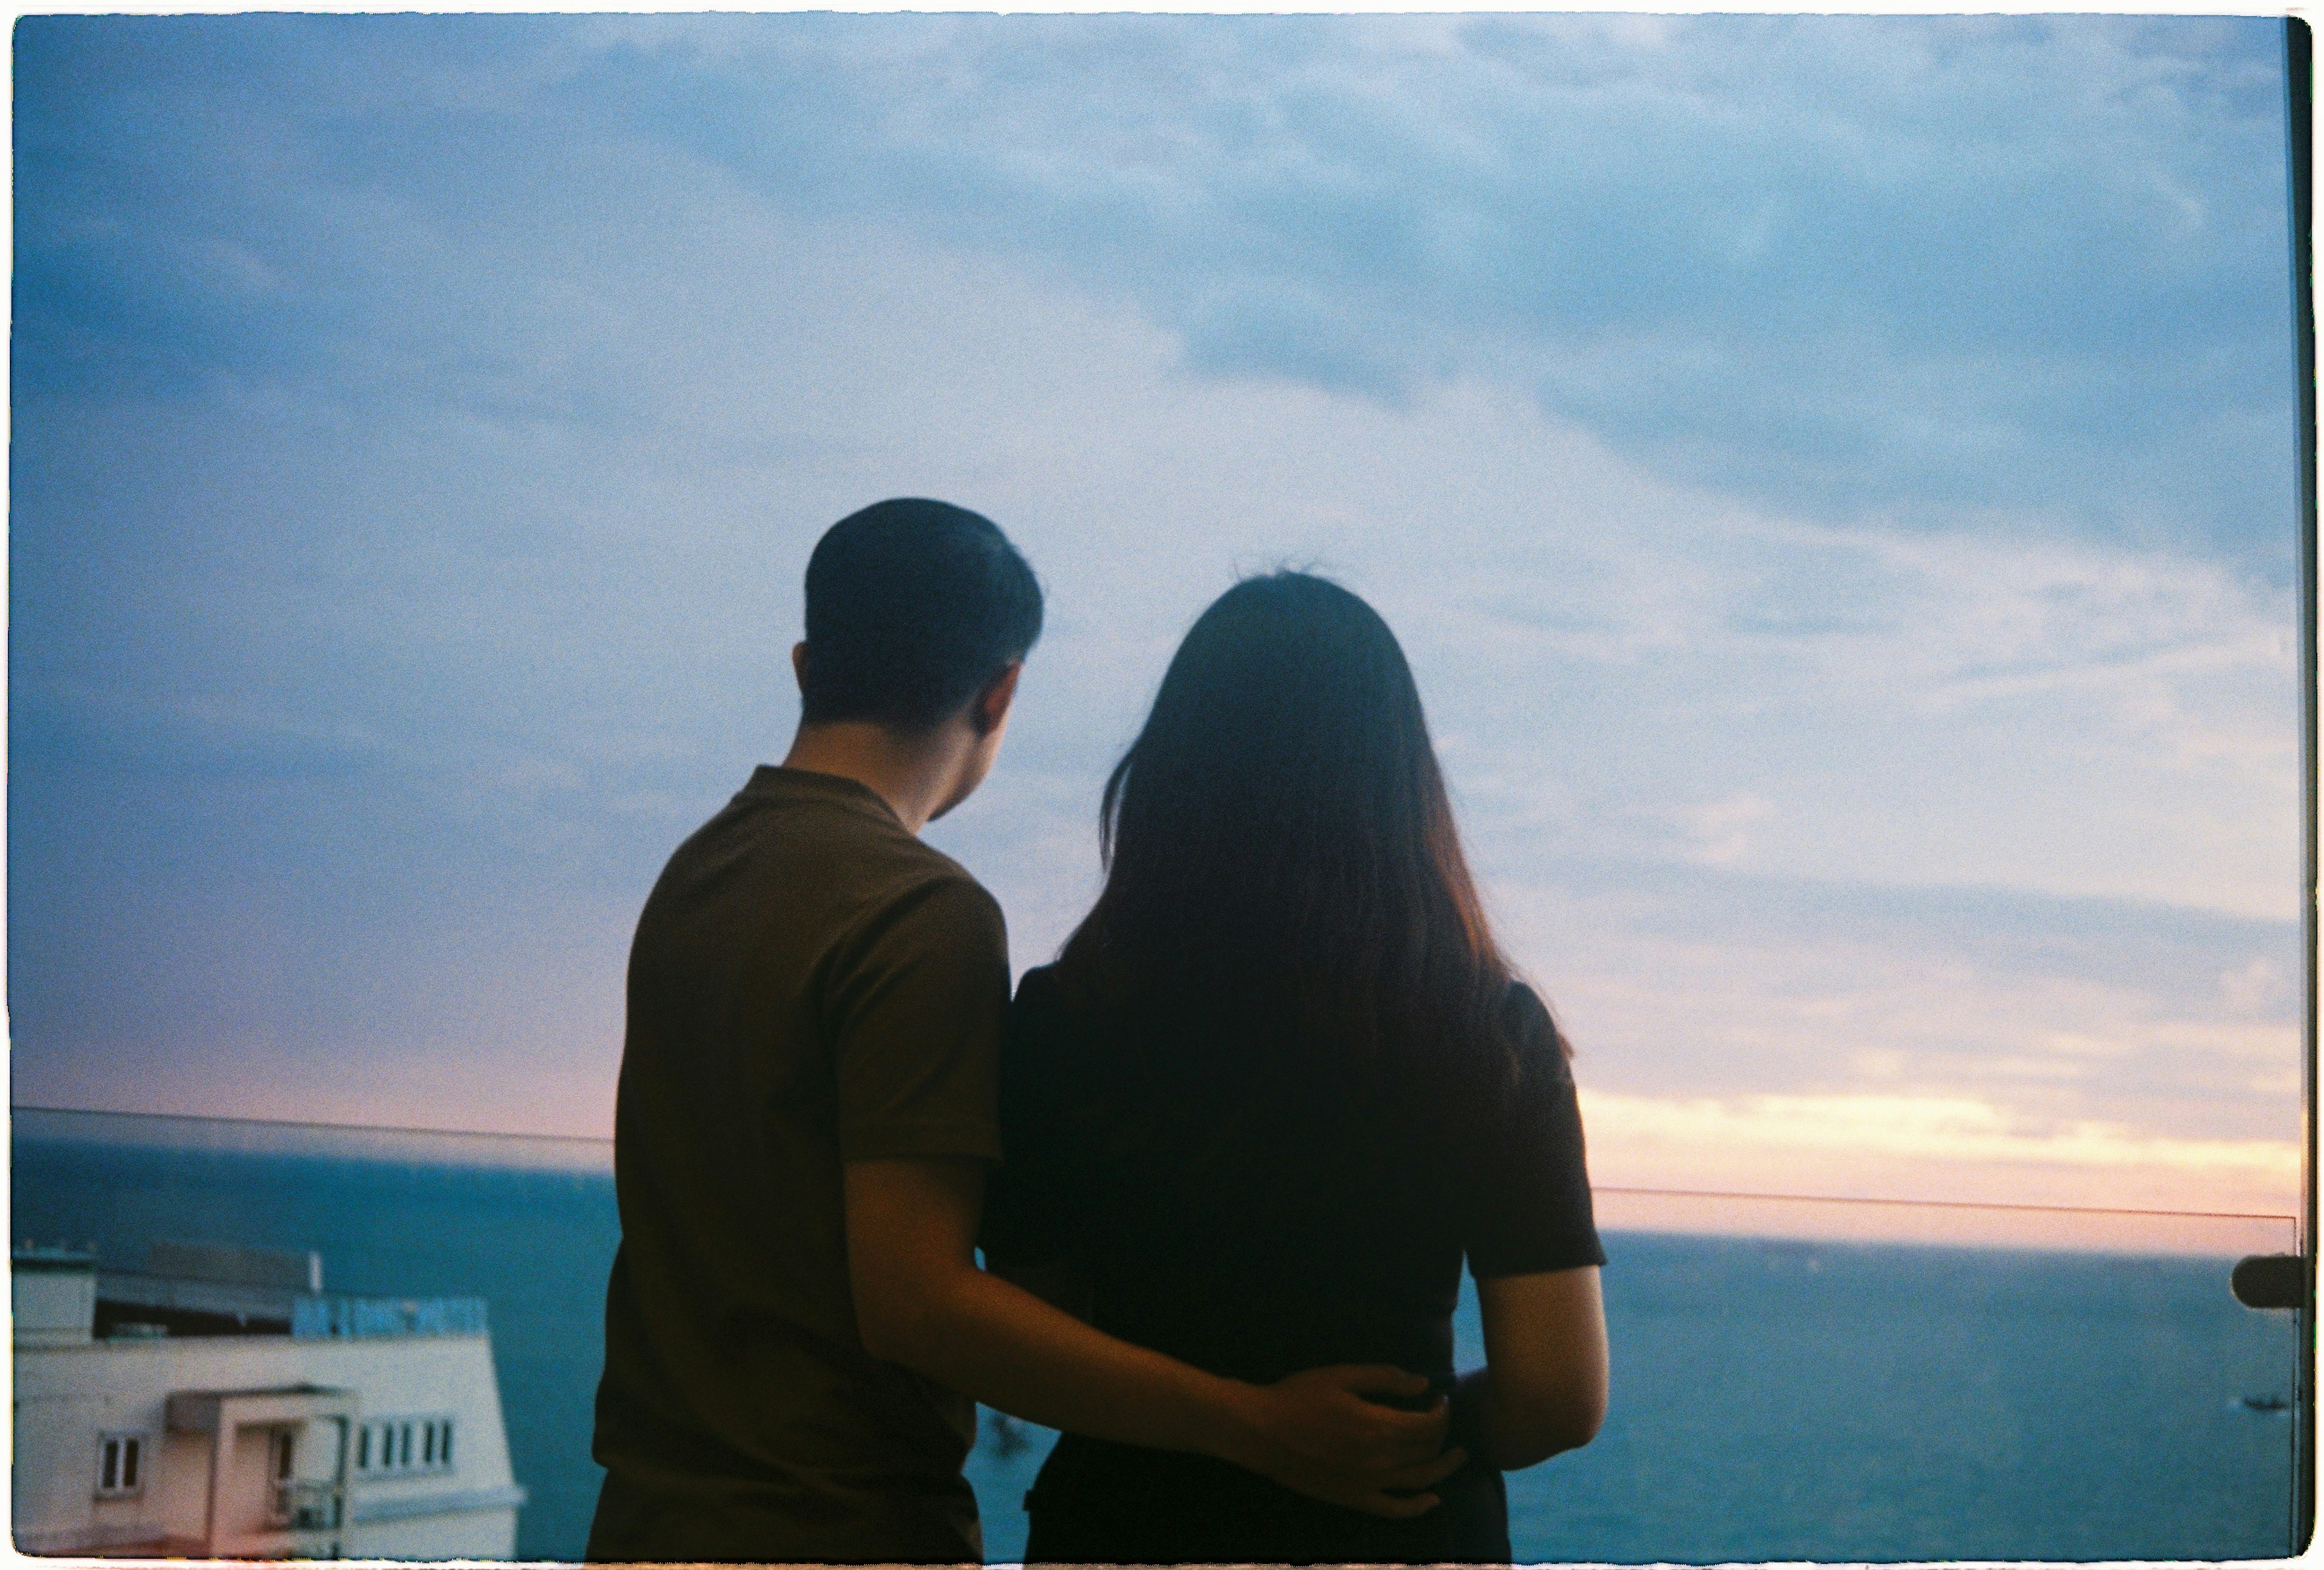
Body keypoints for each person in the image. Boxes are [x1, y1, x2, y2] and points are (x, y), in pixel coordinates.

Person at [586, 504, 1463, 1565]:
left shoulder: (694, 874)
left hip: (645, 1518)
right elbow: (918, 1303)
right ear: (999, 691)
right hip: (831, 1526)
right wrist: (1255, 1422)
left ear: (806, 665)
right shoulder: (917, 911)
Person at [981, 570, 1611, 1565]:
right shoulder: (1489, 1031)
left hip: (1129, 1526)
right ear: (1402, 785)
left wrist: (1232, 1419)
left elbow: (1033, 1339)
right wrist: (1382, 1441)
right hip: (1396, 1530)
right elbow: (1555, 1397)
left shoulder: (1066, 1017)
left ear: (1169, 776)